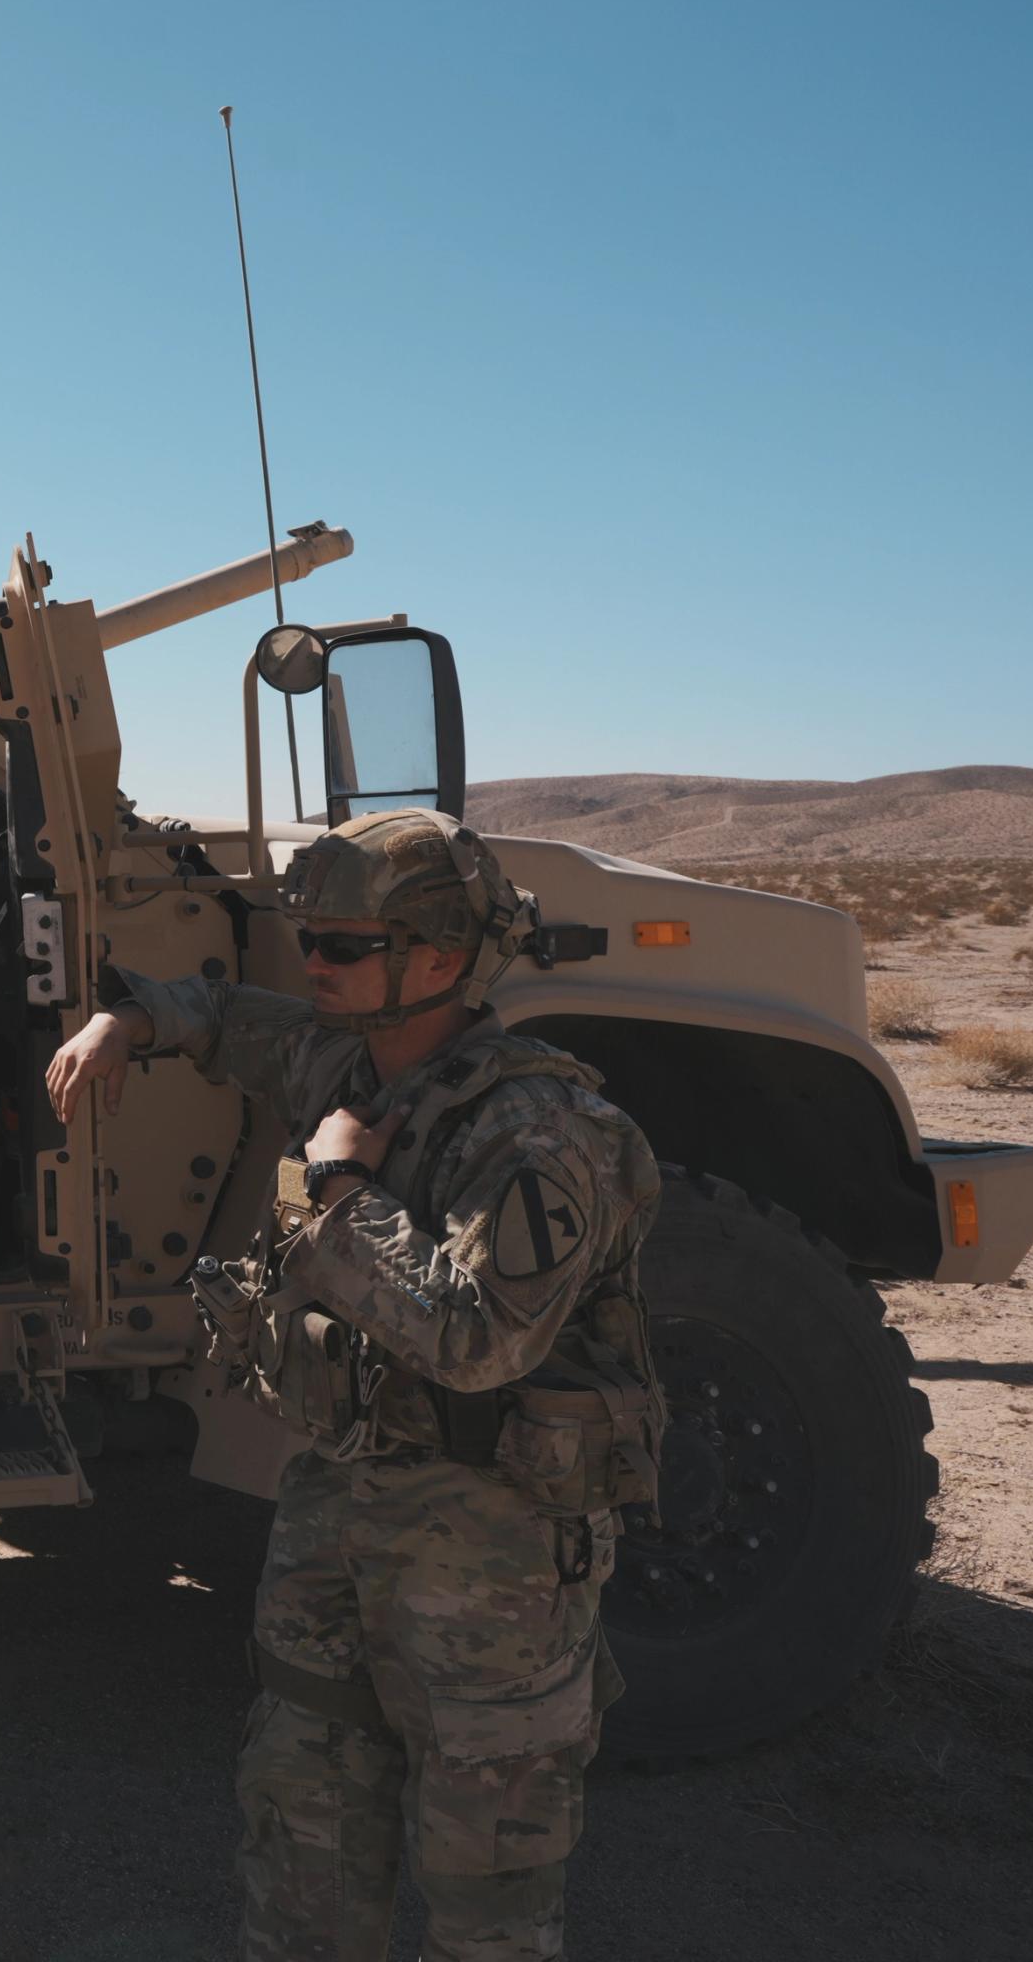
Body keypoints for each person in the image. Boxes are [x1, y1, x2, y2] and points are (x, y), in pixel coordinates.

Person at [44, 810, 661, 1962]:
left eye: (339, 946)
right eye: (308, 939)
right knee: (302, 1821)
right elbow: (228, 1016)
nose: (311, 964)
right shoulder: (344, 1056)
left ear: (436, 958)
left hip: (493, 1543)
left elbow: (482, 1338)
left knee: (488, 1873)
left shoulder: (544, 1127)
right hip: (340, 1501)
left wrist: (336, 1192)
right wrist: (125, 1021)